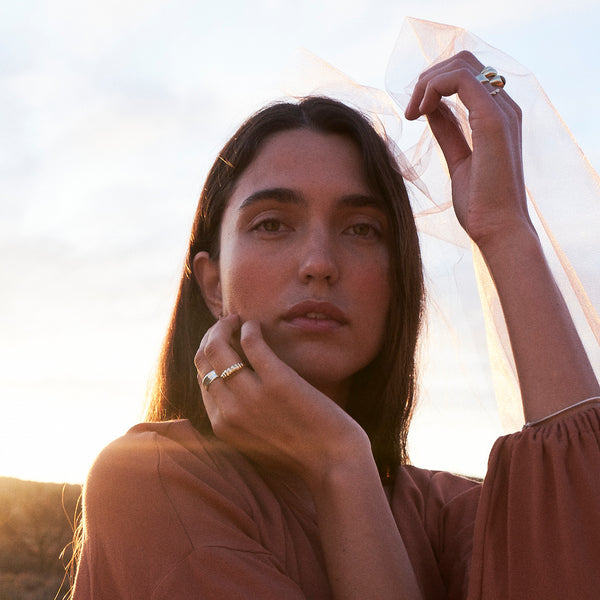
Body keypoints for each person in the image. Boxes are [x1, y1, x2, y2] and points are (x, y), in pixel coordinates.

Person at [70, 50, 600, 599]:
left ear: (397, 283)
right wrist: (340, 462)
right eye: (272, 224)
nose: (319, 263)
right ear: (211, 284)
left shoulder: (451, 513)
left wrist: (504, 228)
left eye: (363, 229)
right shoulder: (149, 482)